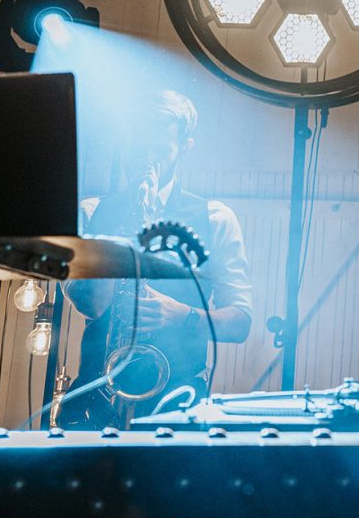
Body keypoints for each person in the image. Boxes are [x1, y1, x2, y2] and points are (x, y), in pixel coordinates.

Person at [60, 90, 253, 427]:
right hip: (95, 399)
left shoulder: (216, 218)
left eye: (161, 151)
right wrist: (122, 232)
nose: (147, 160)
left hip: (177, 401)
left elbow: (240, 323)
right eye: (139, 148)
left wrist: (181, 315)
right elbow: (90, 305)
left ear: (184, 147)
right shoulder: (92, 213)